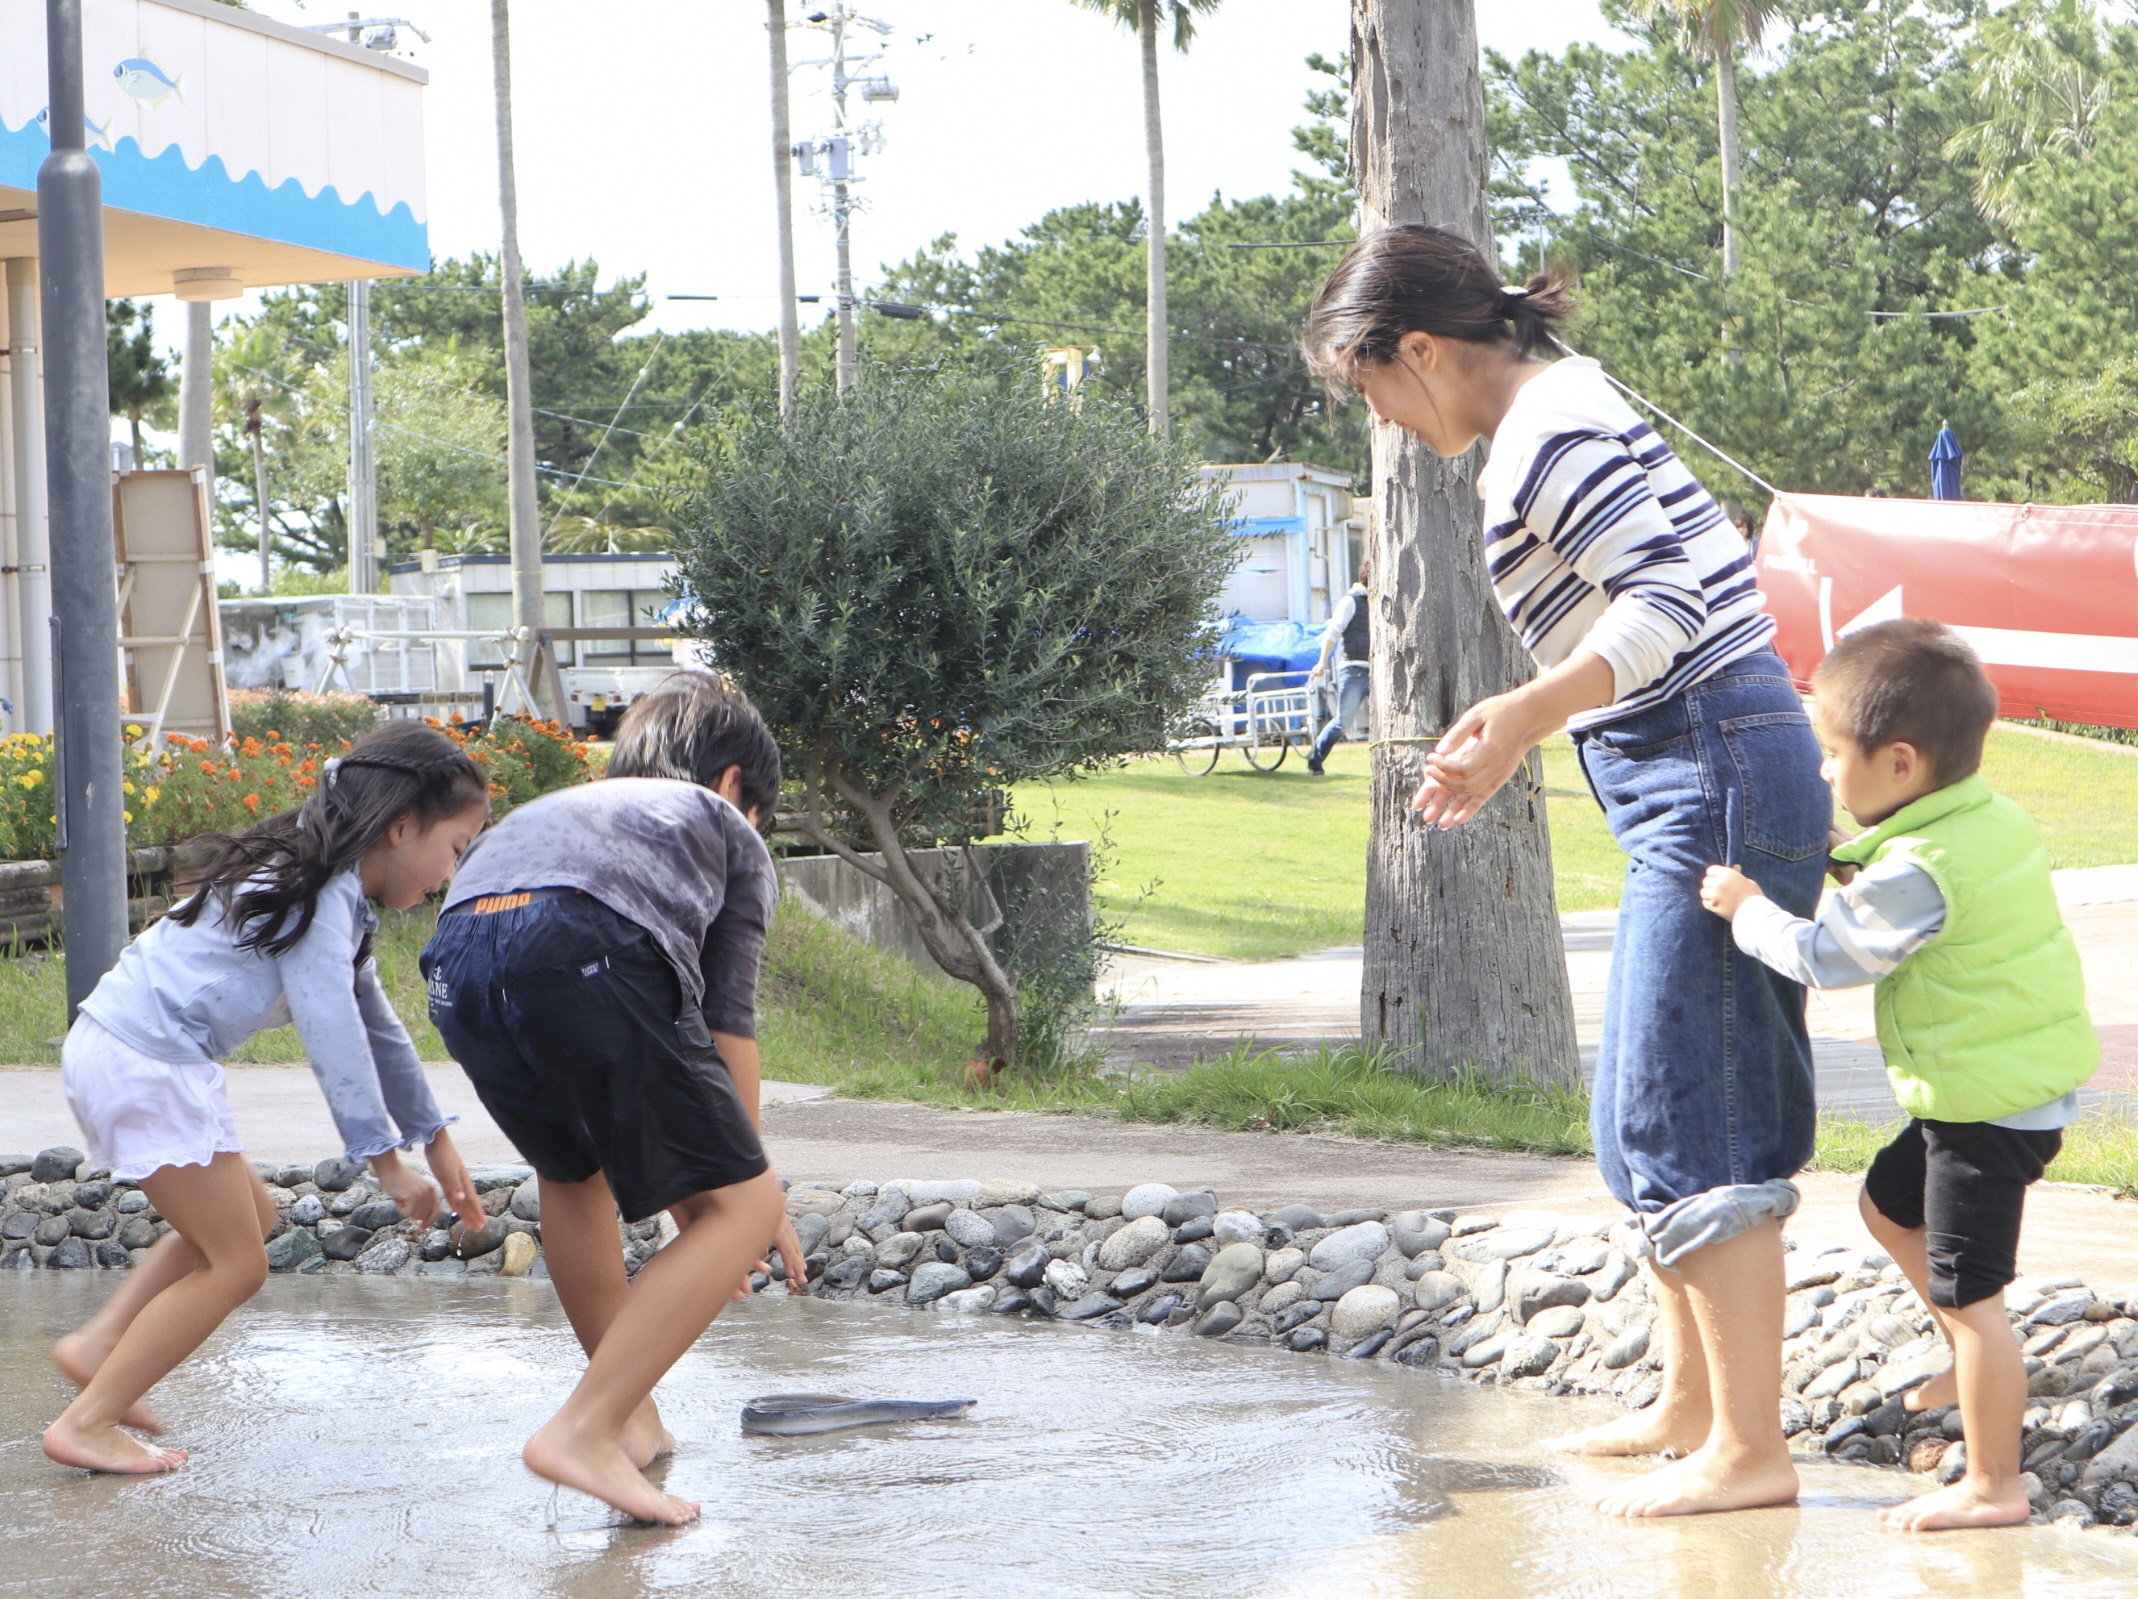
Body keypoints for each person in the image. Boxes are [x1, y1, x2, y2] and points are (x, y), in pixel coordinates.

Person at [1302, 225, 1830, 1518]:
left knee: (1688, 1102)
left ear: (1417, 348)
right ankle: (1691, 1401)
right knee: (1642, 1104)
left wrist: (1531, 709)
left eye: (1368, 384)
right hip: (1698, 759)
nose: (1374, 412)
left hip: (1709, 758)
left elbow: (1667, 603)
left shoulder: (1546, 428)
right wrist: (1522, 726)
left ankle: (1748, 1448)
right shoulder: (1555, 412)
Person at [1701, 619, 2096, 1533]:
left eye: (1834, 754)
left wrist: (1746, 907)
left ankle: (1997, 1479)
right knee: (1886, 1204)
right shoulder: (1979, 820)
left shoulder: (1918, 867)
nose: (1825, 772)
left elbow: (1827, 957)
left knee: (1973, 1294)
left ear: (1903, 764)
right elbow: (1922, 892)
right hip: (2002, 1091)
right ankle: (1967, 1354)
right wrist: (1854, 858)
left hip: (1983, 1114)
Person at [43, 721, 490, 1474]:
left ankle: (99, 1346)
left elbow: (376, 1027)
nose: (451, 871)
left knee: (253, 1218)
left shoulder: (328, 886)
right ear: (401, 826)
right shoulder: (322, 897)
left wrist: (434, 1139)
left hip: (124, 1046)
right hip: (146, 1058)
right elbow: (333, 1031)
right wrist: (386, 1162)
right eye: (454, 846)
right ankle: (86, 1422)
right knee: (239, 1264)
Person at [421, 671, 798, 1527]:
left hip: (459, 964)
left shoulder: (563, 810)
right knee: (742, 1202)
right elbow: (726, 1027)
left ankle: (628, 1419)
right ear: (736, 785)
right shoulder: (721, 827)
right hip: (581, 939)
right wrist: (743, 1197)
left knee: (572, 1173)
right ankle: (586, 1426)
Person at [1306, 558, 1371, 775]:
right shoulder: (1351, 601)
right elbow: (1332, 632)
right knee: (1343, 721)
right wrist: (1322, 662)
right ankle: (1315, 759)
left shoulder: (1380, 601)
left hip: (1377, 670)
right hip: (1354, 668)